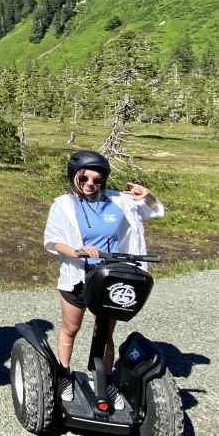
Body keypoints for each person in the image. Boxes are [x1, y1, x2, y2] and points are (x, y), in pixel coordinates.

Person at [44, 150, 164, 409]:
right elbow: (53, 241)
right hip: (79, 276)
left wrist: (149, 196)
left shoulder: (118, 201)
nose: (90, 184)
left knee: (105, 333)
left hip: (112, 276)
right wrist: (77, 251)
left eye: (97, 180)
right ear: (73, 176)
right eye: (84, 178)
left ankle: (106, 380)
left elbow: (154, 211)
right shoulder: (62, 204)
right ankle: (64, 375)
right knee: (70, 328)